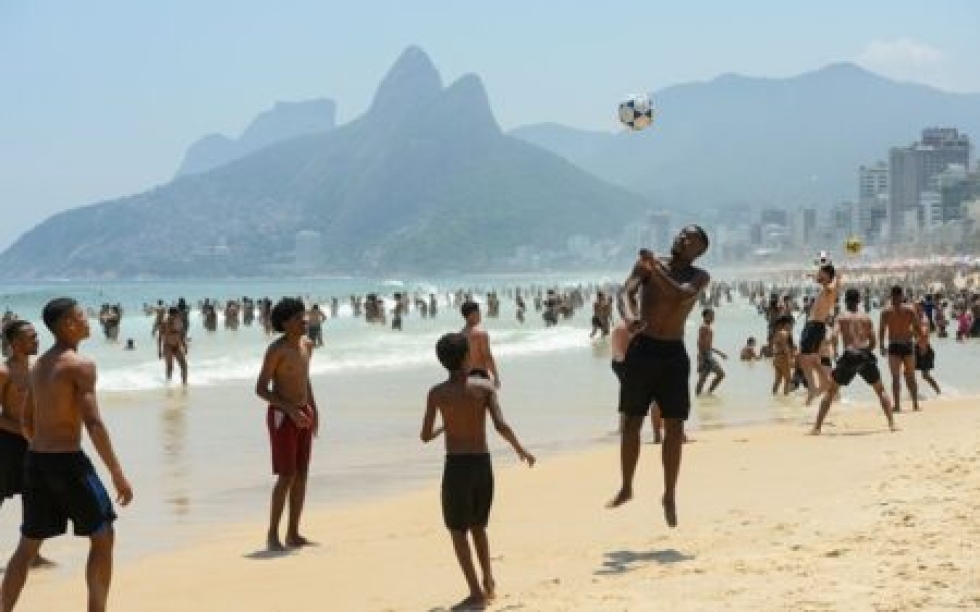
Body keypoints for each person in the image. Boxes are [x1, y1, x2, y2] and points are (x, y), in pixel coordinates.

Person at [1, 298, 133, 612]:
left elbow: (26, 421)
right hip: (68, 462)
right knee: (103, 535)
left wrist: (42, 446)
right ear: (67, 324)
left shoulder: (40, 365)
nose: (88, 319)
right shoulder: (79, 365)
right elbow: (93, 422)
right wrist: (116, 472)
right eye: (81, 315)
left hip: (36, 460)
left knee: (28, 545)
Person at [420, 333, 534, 611]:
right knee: (479, 526)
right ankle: (488, 580)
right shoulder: (484, 386)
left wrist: (445, 427)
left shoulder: (437, 394)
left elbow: (424, 436)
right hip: (482, 463)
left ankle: (475, 592)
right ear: (467, 357)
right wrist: (521, 449)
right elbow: (501, 425)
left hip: (456, 466)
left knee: (457, 530)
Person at [607, 226, 711, 529]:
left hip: (673, 354)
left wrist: (656, 270)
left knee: (674, 428)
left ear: (699, 250)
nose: (681, 238)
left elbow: (681, 296)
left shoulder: (699, 276)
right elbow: (625, 292)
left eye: (689, 238)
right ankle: (627, 486)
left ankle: (669, 494)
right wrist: (629, 317)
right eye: (681, 234)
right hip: (644, 348)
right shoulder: (648, 265)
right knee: (632, 421)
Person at [255, 297, 319, 551]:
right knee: (286, 475)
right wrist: (291, 410)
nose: (304, 321)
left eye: (303, 316)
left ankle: (293, 532)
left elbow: (306, 379)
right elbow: (260, 389)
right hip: (283, 417)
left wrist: (314, 408)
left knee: (302, 474)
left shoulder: (307, 345)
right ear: (285, 323)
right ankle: (273, 535)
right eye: (297, 318)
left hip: (304, 413)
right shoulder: (277, 350)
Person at [0, 321, 53, 569]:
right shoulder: (4, 372)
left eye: (36, 336)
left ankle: (33, 555)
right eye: (31, 337)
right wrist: (21, 430)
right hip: (8, 443)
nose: (36, 340)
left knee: (36, 498)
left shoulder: (40, 367)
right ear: (15, 344)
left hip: (37, 442)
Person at [811, 289, 894, 434]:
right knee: (880, 390)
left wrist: (831, 347)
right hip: (864, 355)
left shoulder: (841, 317)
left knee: (830, 392)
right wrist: (865, 351)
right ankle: (891, 424)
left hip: (849, 356)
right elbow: (873, 343)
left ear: (845, 300)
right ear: (859, 300)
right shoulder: (866, 318)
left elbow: (835, 335)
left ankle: (817, 427)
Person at [799, 264, 841, 405]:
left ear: (828, 276)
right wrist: (821, 277)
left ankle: (813, 388)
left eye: (821, 273)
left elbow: (830, 285)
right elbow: (826, 282)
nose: (818, 275)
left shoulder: (830, 288)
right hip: (815, 326)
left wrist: (835, 277)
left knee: (803, 357)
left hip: (815, 326)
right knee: (814, 359)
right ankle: (825, 383)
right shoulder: (829, 288)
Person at [879, 286, 922, 412]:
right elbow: (918, 328)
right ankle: (915, 404)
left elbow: (881, 330)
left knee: (896, 377)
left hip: (894, 345)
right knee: (911, 376)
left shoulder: (886, 311)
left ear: (891, 295)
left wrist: (881, 346)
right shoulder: (910, 310)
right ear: (902, 295)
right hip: (908, 344)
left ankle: (897, 406)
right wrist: (917, 339)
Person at [460, 301, 500, 388]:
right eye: (479, 313)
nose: (480, 316)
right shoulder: (480, 334)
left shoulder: (460, 335)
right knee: (491, 401)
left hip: (465, 377)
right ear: (473, 314)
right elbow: (487, 357)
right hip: (480, 374)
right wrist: (496, 376)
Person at [695, 308, 727, 395]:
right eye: (711, 316)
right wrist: (702, 357)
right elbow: (700, 343)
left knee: (704, 378)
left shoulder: (708, 328)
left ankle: (706, 394)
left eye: (713, 316)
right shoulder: (703, 328)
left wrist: (720, 353)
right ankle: (703, 394)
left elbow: (708, 345)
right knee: (717, 375)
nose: (713, 318)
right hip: (705, 356)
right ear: (705, 316)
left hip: (708, 355)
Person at [157, 306, 188, 385]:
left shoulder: (179, 322)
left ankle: (184, 384)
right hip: (168, 346)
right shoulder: (164, 323)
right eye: (177, 314)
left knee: (184, 365)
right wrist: (159, 350)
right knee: (170, 367)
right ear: (172, 314)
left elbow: (182, 335)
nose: (178, 315)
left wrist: (185, 345)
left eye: (178, 314)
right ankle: (168, 384)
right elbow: (160, 337)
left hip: (177, 346)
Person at [770, 314, 796, 395]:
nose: (792, 326)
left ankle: (774, 396)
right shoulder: (784, 333)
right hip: (783, 358)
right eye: (792, 324)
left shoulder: (778, 333)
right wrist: (790, 360)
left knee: (778, 380)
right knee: (788, 380)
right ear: (787, 324)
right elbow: (785, 348)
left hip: (777, 358)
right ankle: (786, 398)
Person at [915, 319, 941, 395]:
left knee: (925, 375)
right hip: (917, 349)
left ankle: (938, 392)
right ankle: (914, 393)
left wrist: (923, 350)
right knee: (908, 373)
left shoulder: (924, 321)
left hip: (925, 350)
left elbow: (924, 336)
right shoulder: (913, 321)